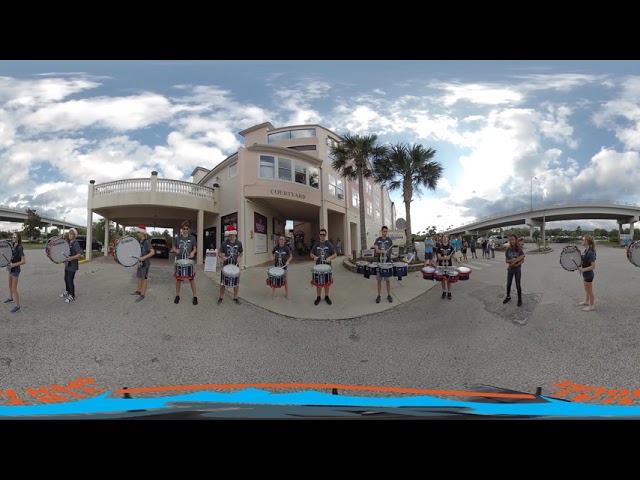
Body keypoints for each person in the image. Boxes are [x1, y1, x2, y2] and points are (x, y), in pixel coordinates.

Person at [171, 220, 198, 305]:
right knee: (179, 279)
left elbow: (194, 248)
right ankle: (177, 295)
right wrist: (176, 250)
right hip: (180, 261)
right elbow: (173, 247)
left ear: (189, 229)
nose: (185, 230)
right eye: (184, 228)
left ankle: (195, 296)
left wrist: (193, 252)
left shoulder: (192, 238)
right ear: (181, 229)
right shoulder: (178, 238)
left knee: (191, 279)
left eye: (187, 228)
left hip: (189, 261)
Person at [310, 228, 337, 305]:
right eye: (321, 235)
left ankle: (326, 296)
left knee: (327, 283)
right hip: (318, 267)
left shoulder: (329, 244)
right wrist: (314, 257)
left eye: (324, 235)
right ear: (319, 235)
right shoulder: (316, 244)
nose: (322, 236)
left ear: (325, 235)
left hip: (327, 267)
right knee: (318, 283)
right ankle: (318, 297)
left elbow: (335, 254)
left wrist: (330, 258)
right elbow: (311, 253)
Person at [218, 224, 244, 304]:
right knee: (223, 282)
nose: (231, 236)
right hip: (226, 265)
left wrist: (239, 257)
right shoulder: (224, 243)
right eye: (230, 235)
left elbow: (241, 252)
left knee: (236, 282)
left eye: (232, 235)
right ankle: (221, 297)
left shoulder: (239, 243)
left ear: (235, 234)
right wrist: (223, 257)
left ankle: (235, 298)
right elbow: (219, 253)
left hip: (235, 265)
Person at [131, 225, 155, 302]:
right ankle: (138, 291)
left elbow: (152, 252)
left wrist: (143, 258)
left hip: (145, 263)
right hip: (140, 263)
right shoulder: (139, 241)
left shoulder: (146, 242)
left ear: (142, 233)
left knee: (144, 279)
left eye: (138, 232)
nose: (137, 233)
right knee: (139, 277)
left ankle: (142, 294)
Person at [4, 232, 26, 313]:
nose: (13, 237)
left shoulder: (19, 247)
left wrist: (14, 264)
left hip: (16, 270)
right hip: (11, 269)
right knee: (9, 286)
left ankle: (18, 306)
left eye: (15, 236)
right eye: (12, 236)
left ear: (18, 238)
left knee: (14, 288)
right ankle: (10, 298)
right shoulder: (12, 246)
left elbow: (23, 261)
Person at [61, 228, 83, 303]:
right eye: (69, 233)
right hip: (67, 265)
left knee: (70, 280)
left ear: (75, 235)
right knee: (65, 279)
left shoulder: (76, 243)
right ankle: (67, 291)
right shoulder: (69, 242)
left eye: (72, 234)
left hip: (73, 266)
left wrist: (71, 258)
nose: (70, 235)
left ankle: (72, 295)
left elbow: (79, 254)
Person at [503, 234, 525, 307]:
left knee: (518, 285)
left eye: (512, 239)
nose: (511, 241)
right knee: (508, 284)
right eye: (510, 239)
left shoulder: (519, 249)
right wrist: (512, 261)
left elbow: (523, 260)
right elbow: (506, 260)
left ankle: (519, 299)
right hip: (510, 269)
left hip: (517, 270)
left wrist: (518, 264)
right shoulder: (508, 249)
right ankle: (508, 297)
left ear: (515, 240)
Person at [373, 226, 394, 303]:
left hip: (387, 262)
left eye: (386, 231)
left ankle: (389, 295)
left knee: (387, 280)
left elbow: (391, 251)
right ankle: (379, 295)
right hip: (379, 262)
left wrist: (395, 254)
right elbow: (376, 250)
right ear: (381, 231)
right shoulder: (377, 240)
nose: (385, 233)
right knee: (379, 280)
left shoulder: (389, 240)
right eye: (384, 231)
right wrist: (382, 251)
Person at [577, 235, 596, 311]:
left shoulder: (590, 252)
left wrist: (583, 270)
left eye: (583, 240)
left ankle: (591, 306)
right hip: (586, 274)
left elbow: (593, 266)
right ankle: (586, 301)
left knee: (590, 290)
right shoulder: (586, 250)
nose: (582, 241)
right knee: (586, 289)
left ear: (586, 241)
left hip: (589, 274)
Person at [437, 233, 455, 300]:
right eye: (443, 237)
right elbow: (438, 257)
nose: (445, 238)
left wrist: (458, 259)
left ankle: (449, 292)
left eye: (446, 237)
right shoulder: (439, 247)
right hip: (441, 266)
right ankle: (444, 291)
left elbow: (453, 256)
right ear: (442, 239)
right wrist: (445, 258)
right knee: (442, 279)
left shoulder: (451, 247)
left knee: (449, 280)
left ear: (448, 238)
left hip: (449, 265)